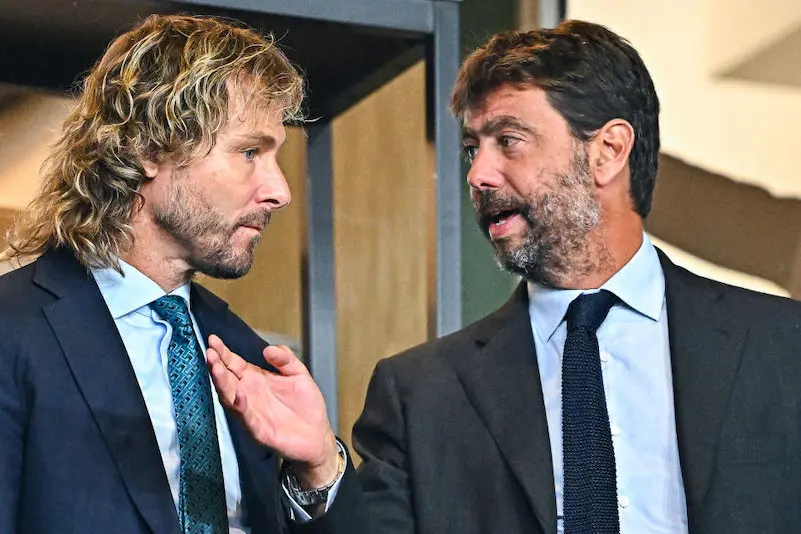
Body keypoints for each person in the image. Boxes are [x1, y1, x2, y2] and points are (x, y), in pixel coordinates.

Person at [209, 20, 801, 534]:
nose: (479, 175)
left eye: (508, 142)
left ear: (608, 151)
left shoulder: (780, 346)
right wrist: (320, 467)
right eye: (473, 149)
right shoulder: (420, 393)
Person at [0, 14, 349, 534]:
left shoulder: (249, 356)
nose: (280, 191)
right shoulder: (13, 330)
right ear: (149, 149)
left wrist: (318, 465)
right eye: (250, 152)